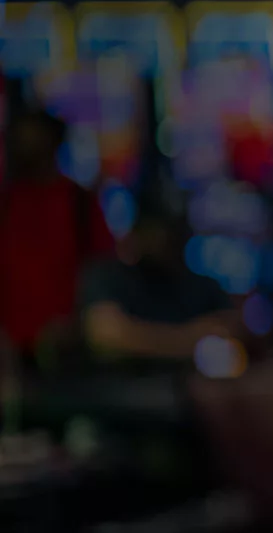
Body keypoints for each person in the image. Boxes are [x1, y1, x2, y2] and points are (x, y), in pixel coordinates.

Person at [0, 104, 115, 362]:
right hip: (10, 352)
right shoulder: (6, 204)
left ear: (54, 143)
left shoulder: (80, 204)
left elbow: (105, 272)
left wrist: (80, 325)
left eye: (33, 140)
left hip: (72, 350)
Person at [80, 206, 238, 363]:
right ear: (137, 230)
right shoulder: (109, 276)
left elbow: (230, 332)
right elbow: (105, 336)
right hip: (124, 382)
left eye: (174, 230)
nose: (166, 239)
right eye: (156, 230)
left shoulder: (203, 285)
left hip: (191, 382)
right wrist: (188, 339)